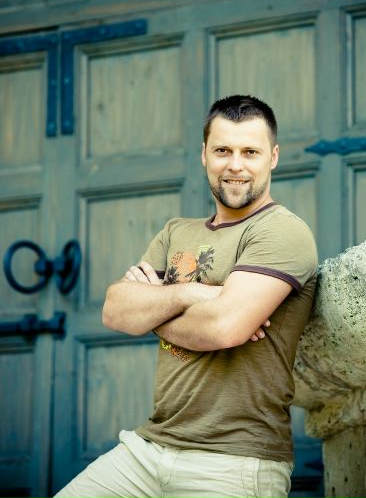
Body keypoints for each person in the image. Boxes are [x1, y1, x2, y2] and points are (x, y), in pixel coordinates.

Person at [55, 95, 318, 498]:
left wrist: (156, 305)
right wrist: (195, 293)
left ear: (274, 157)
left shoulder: (282, 231)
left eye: (250, 152)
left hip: (234, 461)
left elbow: (224, 327)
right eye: (223, 151)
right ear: (204, 154)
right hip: (147, 449)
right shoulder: (176, 231)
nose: (235, 165)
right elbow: (115, 311)